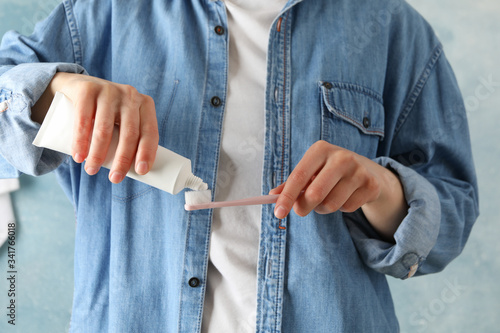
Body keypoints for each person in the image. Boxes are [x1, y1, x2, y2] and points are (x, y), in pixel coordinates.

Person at [0, 0, 478, 332]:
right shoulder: (101, 15)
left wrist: (382, 189)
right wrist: (55, 92)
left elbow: (450, 218)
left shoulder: (392, 27)